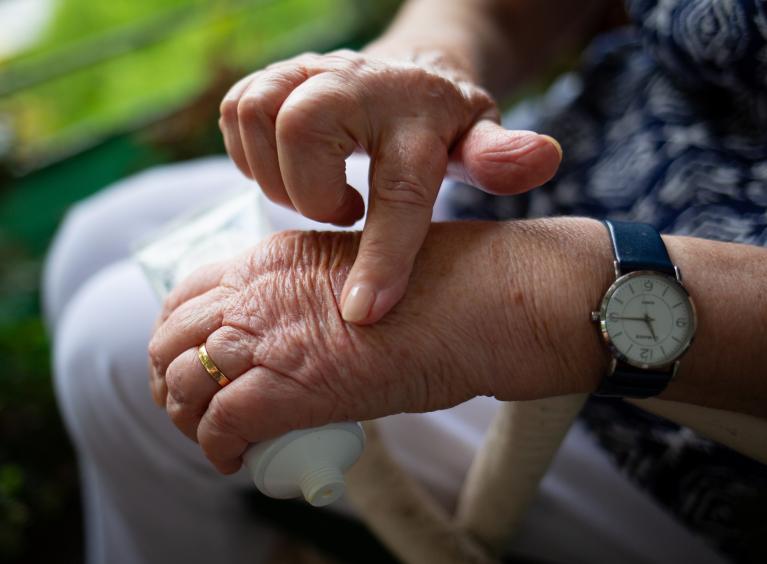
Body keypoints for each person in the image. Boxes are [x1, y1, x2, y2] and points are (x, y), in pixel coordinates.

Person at [46, 0, 767, 563]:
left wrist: (550, 295)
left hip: (692, 392)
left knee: (112, 347)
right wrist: (430, 62)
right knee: (98, 237)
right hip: (552, 169)